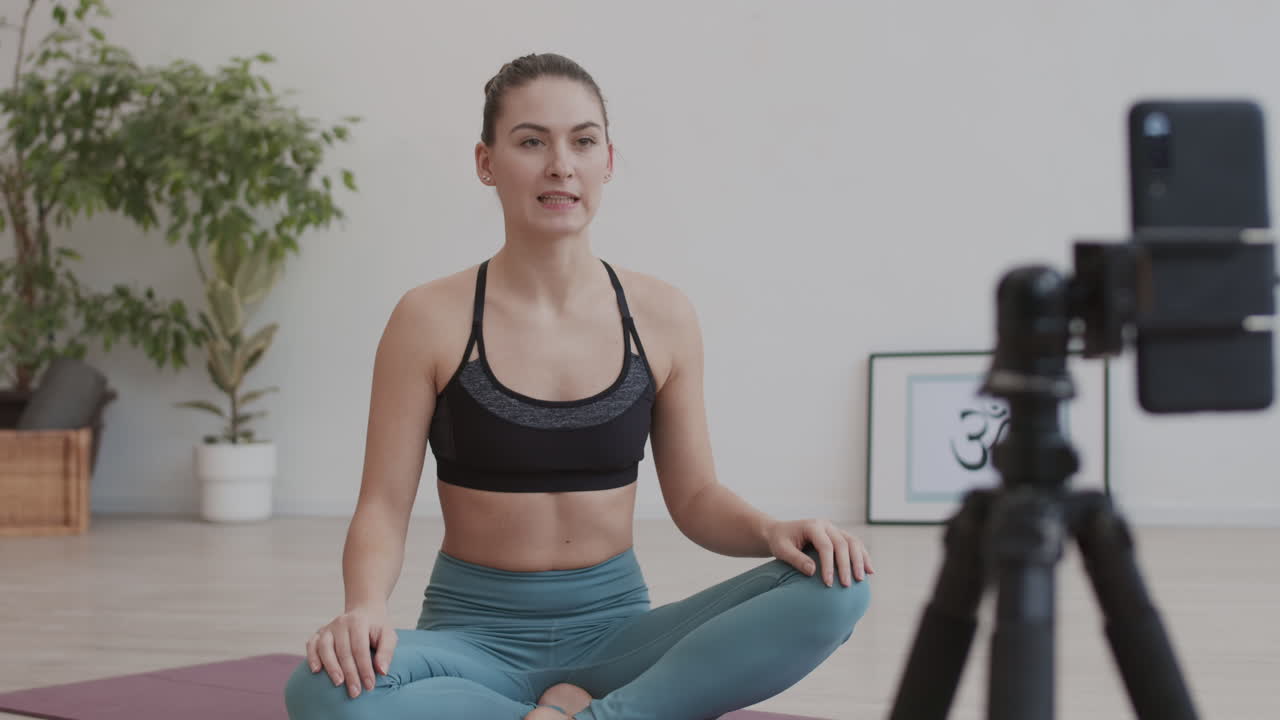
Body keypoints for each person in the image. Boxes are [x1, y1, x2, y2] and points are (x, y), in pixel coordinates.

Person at [283, 52, 872, 720]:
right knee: (320, 689)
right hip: (471, 641)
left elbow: (695, 498)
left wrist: (773, 530)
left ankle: (587, 711)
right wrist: (364, 607)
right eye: (532, 142)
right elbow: (383, 506)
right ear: (486, 162)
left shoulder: (663, 315)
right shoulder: (427, 318)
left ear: (608, 162)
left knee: (839, 588)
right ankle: (594, 711)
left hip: (619, 638)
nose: (561, 165)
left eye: (583, 142)